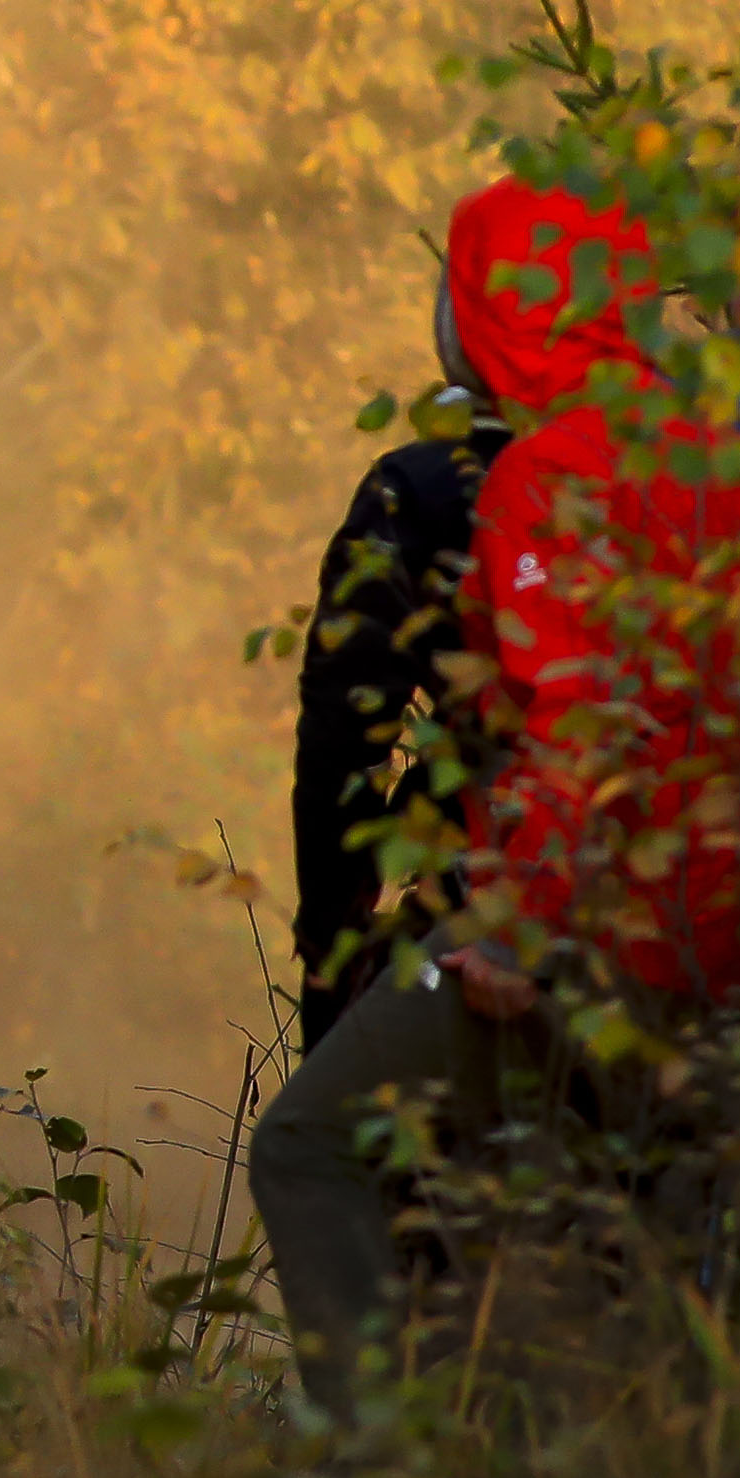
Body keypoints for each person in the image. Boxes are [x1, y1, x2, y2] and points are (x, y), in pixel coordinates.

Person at [250, 172, 740, 1410]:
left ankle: (384, 1472)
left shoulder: (520, 478)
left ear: (474, 318)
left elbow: (561, 719)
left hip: (575, 936)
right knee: (639, 1260)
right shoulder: (736, 460)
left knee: (315, 1148)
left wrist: (495, 930)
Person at [286, 271, 513, 1048]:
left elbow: (345, 733)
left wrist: (332, 936)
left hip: (488, 916)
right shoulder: (689, 462)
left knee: (316, 1126)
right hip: (705, 918)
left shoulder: (420, 491)